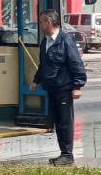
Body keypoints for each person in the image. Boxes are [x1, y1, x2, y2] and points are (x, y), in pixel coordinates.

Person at [33, 9, 86, 166]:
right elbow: (44, 65)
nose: (40, 24)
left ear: (48, 22)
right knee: (57, 121)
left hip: (64, 88)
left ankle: (67, 155)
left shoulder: (65, 40)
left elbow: (76, 63)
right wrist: (36, 81)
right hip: (52, 88)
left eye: (42, 21)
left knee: (65, 122)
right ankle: (63, 153)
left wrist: (77, 86)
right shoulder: (46, 41)